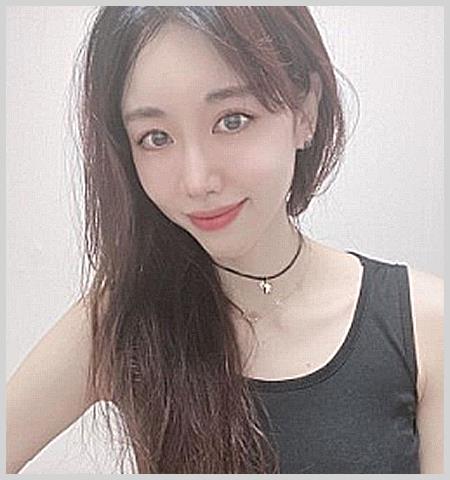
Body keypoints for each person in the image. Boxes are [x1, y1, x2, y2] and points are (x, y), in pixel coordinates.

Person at [6, 6, 443, 474]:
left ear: (305, 112)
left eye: (232, 120)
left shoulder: (425, 323)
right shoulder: (122, 317)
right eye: (156, 137)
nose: (196, 181)